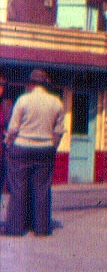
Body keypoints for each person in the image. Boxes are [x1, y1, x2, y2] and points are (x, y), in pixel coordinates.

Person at [3, 69, 65, 236]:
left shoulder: (23, 100)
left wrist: (8, 144)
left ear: (31, 84)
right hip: (45, 149)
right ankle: (41, 228)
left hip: (22, 148)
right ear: (45, 85)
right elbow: (58, 131)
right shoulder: (56, 102)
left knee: (18, 189)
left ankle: (15, 228)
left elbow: (13, 128)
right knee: (42, 189)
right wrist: (52, 147)